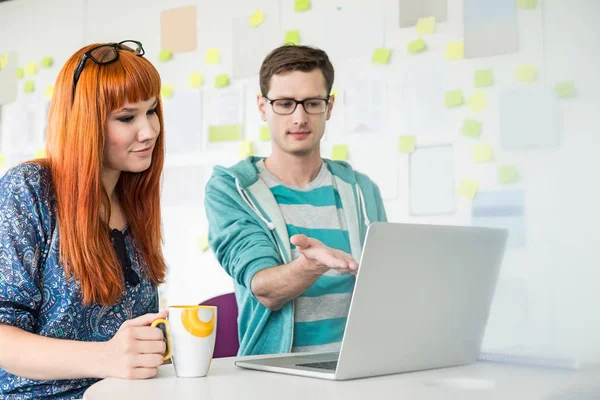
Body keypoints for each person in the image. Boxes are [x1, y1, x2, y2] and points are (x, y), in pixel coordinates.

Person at [0, 41, 169, 400]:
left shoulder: (133, 198)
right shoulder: (29, 189)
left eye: (152, 110)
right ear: (84, 124)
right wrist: (106, 357)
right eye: (127, 117)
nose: (150, 130)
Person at [204, 45, 387, 356]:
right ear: (263, 107)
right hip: (277, 378)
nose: (300, 117)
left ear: (329, 107)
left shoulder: (361, 189)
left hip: (360, 370)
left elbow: (384, 286)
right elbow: (264, 289)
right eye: (285, 104)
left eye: (312, 103)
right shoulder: (232, 189)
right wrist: (309, 266)